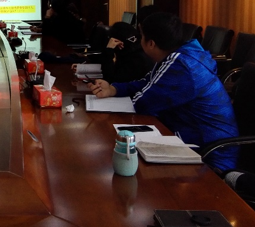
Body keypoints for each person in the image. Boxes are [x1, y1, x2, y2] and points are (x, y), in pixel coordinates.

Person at [88, 12, 239, 172]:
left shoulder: (181, 66)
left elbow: (142, 103)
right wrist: (114, 89)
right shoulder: (181, 55)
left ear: (151, 43)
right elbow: (148, 82)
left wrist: (121, 90)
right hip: (193, 139)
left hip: (209, 155)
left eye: (141, 36)